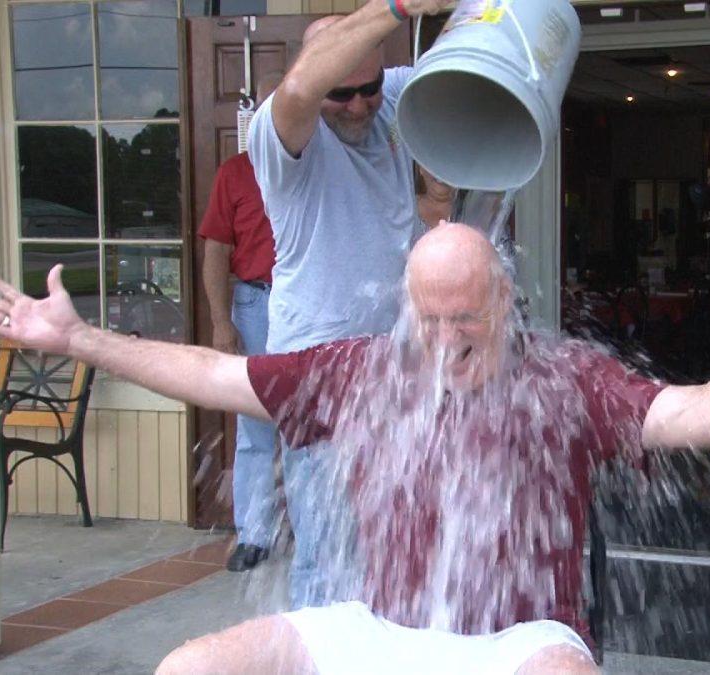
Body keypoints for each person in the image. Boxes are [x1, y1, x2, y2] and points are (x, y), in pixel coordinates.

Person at [0, 223, 710, 674]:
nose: (450, 340)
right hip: (383, 630)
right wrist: (81, 340)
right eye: (433, 318)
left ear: (506, 303)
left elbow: (680, 412)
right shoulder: (362, 369)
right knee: (193, 668)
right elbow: (219, 378)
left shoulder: (564, 378)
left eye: (471, 319)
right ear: (407, 307)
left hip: (521, 641)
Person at [247, 0, 452, 606]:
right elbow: (303, 86)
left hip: (395, 368)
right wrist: (397, 7)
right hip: (315, 374)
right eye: (343, 95)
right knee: (328, 553)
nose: (361, 105)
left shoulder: (388, 95)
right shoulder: (282, 135)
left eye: (369, 89)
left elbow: (467, 67)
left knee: (400, 544)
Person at [199, 72, 283, 572]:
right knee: (255, 425)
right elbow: (216, 252)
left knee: (313, 426)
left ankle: (315, 532)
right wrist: (219, 322)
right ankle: (253, 533)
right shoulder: (235, 172)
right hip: (255, 305)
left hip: (308, 304)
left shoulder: (316, 165)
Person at [416, 163, 454, 231]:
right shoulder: (402, 209)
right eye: (434, 164)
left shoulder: (469, 211)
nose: (441, 173)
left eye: (448, 165)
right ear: (421, 168)